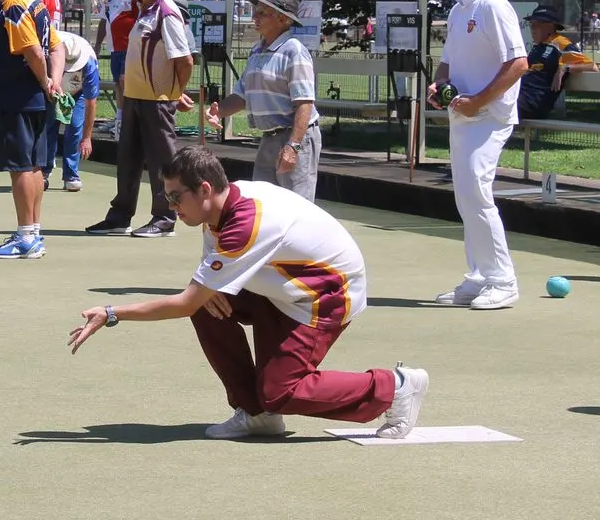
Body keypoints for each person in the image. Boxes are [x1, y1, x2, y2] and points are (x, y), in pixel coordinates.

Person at [68, 146, 430, 440]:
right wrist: (206, 295)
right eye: (167, 197)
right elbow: (201, 293)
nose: (171, 207)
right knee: (206, 306)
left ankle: (395, 387)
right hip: (281, 288)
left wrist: (112, 312)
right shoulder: (216, 212)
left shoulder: (245, 223)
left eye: (176, 197)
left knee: (282, 392)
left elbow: (184, 302)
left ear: (205, 190)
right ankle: (256, 415)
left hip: (326, 295)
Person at [430, 0, 528, 310]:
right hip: (464, 113)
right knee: (466, 195)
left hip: (489, 115)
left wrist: (477, 101)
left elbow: (518, 63)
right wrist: (438, 83)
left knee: (476, 193)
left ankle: (503, 280)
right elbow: (448, 61)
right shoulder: (459, 10)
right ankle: (480, 276)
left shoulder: (491, 4)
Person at [87, 0, 193, 239]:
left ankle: (165, 217)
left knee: (162, 161)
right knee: (128, 157)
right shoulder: (144, 9)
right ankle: (120, 215)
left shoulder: (167, 12)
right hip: (135, 97)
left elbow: (184, 61)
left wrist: (174, 93)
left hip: (156, 100)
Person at [0, 0, 63, 259]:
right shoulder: (34, 1)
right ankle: (33, 233)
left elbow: (33, 51)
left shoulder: (16, 4)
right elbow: (56, 46)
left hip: (17, 97)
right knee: (34, 164)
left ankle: (26, 237)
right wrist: (52, 81)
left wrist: (45, 80)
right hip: (30, 98)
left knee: (21, 167)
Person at [205, 0, 321, 200]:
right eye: (255, 12)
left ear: (283, 20)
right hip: (269, 138)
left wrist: (293, 146)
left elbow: (305, 103)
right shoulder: (256, 50)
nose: (255, 18)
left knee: (296, 207)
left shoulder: (294, 50)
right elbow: (242, 95)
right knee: (265, 205)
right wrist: (218, 111)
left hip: (296, 138)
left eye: (262, 13)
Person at [518, 5, 597, 120]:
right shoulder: (538, 46)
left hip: (534, 103)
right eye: (531, 25)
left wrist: (565, 68)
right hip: (521, 96)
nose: (532, 29)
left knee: (493, 104)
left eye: (536, 25)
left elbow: (593, 67)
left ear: (550, 26)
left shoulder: (561, 44)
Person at [45, 29, 100, 192]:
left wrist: (87, 138)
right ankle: (43, 171)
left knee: (75, 128)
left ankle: (71, 175)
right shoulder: (48, 53)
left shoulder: (89, 66)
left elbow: (92, 104)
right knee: (48, 126)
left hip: (78, 93)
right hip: (51, 90)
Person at [93, 0, 135, 137]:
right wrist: (97, 44)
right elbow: (104, 20)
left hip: (130, 45)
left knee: (126, 81)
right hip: (114, 46)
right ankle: (120, 119)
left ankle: (130, 119)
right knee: (118, 82)